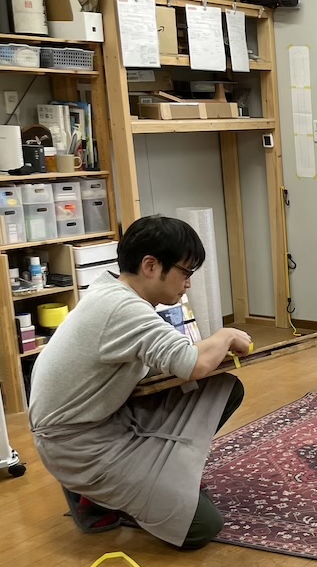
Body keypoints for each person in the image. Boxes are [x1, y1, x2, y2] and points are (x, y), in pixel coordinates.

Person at [29, 215, 252, 550]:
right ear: (150, 265)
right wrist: (226, 334)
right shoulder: (122, 308)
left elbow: (173, 362)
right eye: (185, 272)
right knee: (200, 527)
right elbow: (193, 363)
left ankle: (113, 490)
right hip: (79, 447)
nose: (188, 284)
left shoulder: (110, 291)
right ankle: (94, 492)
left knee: (223, 389)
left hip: (101, 423)